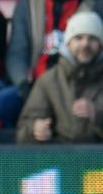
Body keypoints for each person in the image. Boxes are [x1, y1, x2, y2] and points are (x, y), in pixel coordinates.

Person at [0, 0, 95, 128]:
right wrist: (24, 85)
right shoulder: (27, 4)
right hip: (34, 86)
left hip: (77, 88)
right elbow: (17, 53)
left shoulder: (89, 6)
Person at [16, 11, 103, 143]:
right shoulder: (48, 81)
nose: (85, 44)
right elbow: (22, 132)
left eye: (92, 38)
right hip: (59, 159)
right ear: (68, 43)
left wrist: (97, 115)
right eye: (78, 38)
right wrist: (34, 130)